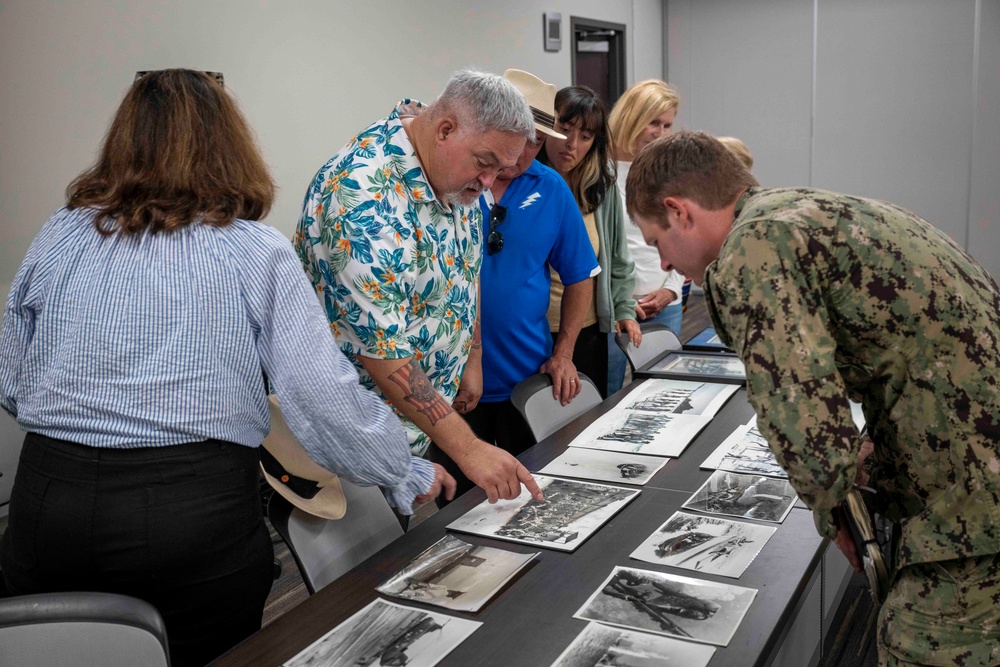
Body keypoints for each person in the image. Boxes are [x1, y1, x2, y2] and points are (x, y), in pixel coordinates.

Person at [0, 69, 453, 667]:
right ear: (229, 146)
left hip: (47, 498)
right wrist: (404, 472)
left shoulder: (62, 232)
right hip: (189, 511)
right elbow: (320, 396)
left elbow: (11, 378)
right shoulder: (253, 250)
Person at [626, 130, 1000, 666]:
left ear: (678, 211)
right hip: (971, 453)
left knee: (918, 644)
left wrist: (838, 511)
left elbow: (804, 422)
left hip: (975, 492)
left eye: (655, 241)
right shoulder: (802, 212)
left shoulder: (749, 252)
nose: (662, 264)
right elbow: (908, 354)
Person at [295, 69, 544, 506]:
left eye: (500, 170)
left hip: (420, 423)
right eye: (485, 164)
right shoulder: (363, 199)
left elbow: (466, 266)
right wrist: (468, 448)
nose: (489, 183)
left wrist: (473, 353)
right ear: (445, 128)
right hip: (358, 440)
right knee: (369, 568)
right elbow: (382, 352)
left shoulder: (455, 172)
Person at [441, 69, 599, 500]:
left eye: (536, 139)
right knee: (456, 507)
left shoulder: (552, 189)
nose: (524, 151)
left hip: (524, 383)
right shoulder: (452, 184)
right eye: (520, 136)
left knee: (534, 495)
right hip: (450, 385)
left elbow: (580, 275)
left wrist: (564, 353)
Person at [538, 86, 640, 398]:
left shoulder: (601, 185)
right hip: (535, 330)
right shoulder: (525, 183)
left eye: (585, 136)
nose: (572, 144)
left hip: (589, 328)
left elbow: (617, 256)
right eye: (564, 130)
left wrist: (624, 308)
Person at [606, 80, 689, 394]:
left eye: (667, 125)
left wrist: (671, 290)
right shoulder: (599, 172)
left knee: (663, 393)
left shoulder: (668, 173)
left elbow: (681, 238)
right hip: (614, 308)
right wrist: (620, 303)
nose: (661, 133)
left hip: (663, 303)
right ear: (631, 117)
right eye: (653, 122)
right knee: (611, 394)